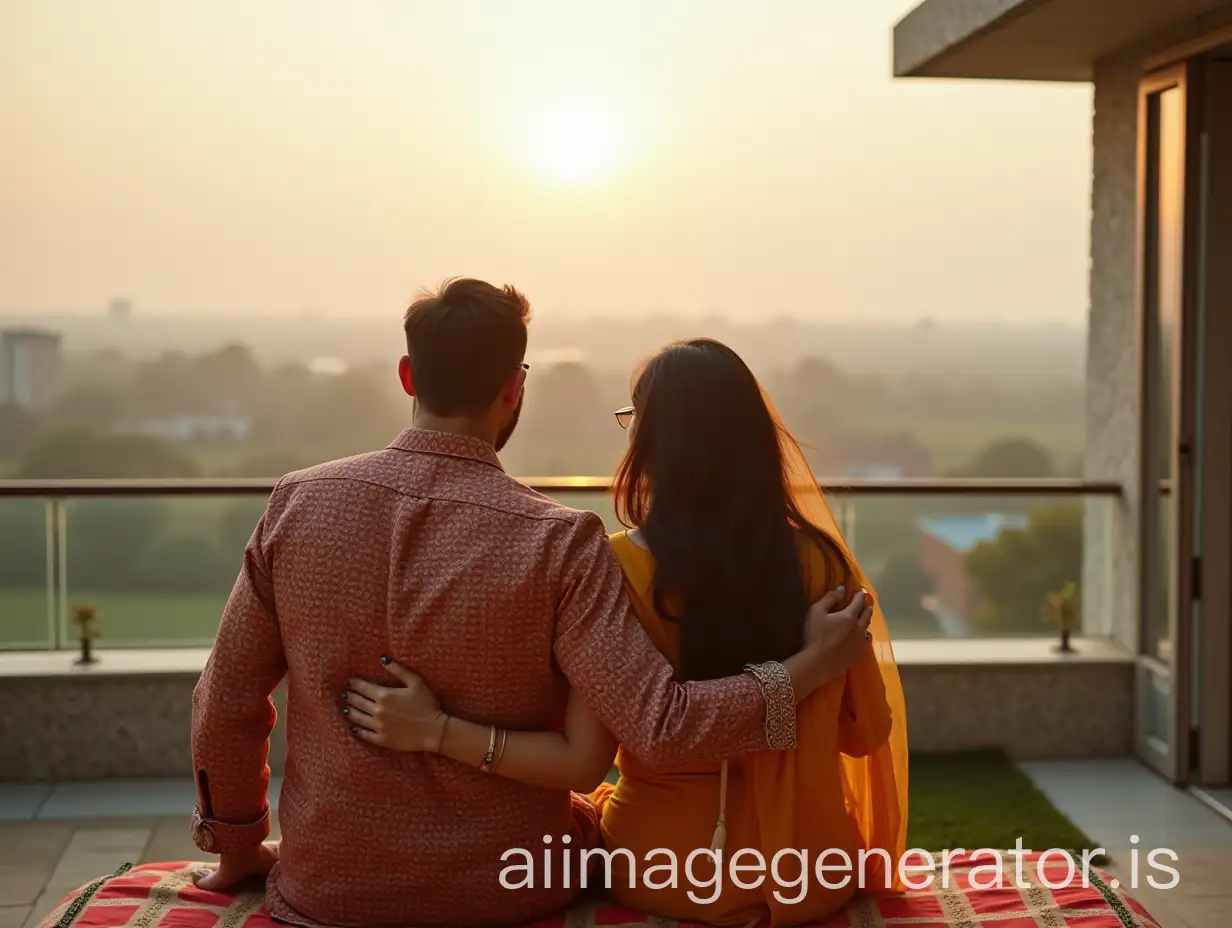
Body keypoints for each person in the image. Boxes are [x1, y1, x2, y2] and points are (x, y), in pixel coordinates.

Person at [189, 281, 876, 928]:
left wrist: (237, 842)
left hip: (327, 886)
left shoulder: (299, 504)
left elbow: (224, 701)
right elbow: (659, 726)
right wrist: (812, 664)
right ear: (514, 389)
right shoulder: (560, 542)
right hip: (513, 884)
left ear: (408, 375)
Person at [349, 338, 909, 926]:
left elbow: (591, 754)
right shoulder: (824, 565)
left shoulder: (616, 567)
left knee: (589, 810)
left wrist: (438, 729)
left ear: (652, 443)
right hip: (808, 871)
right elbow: (866, 732)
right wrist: (811, 672)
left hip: (660, 869)